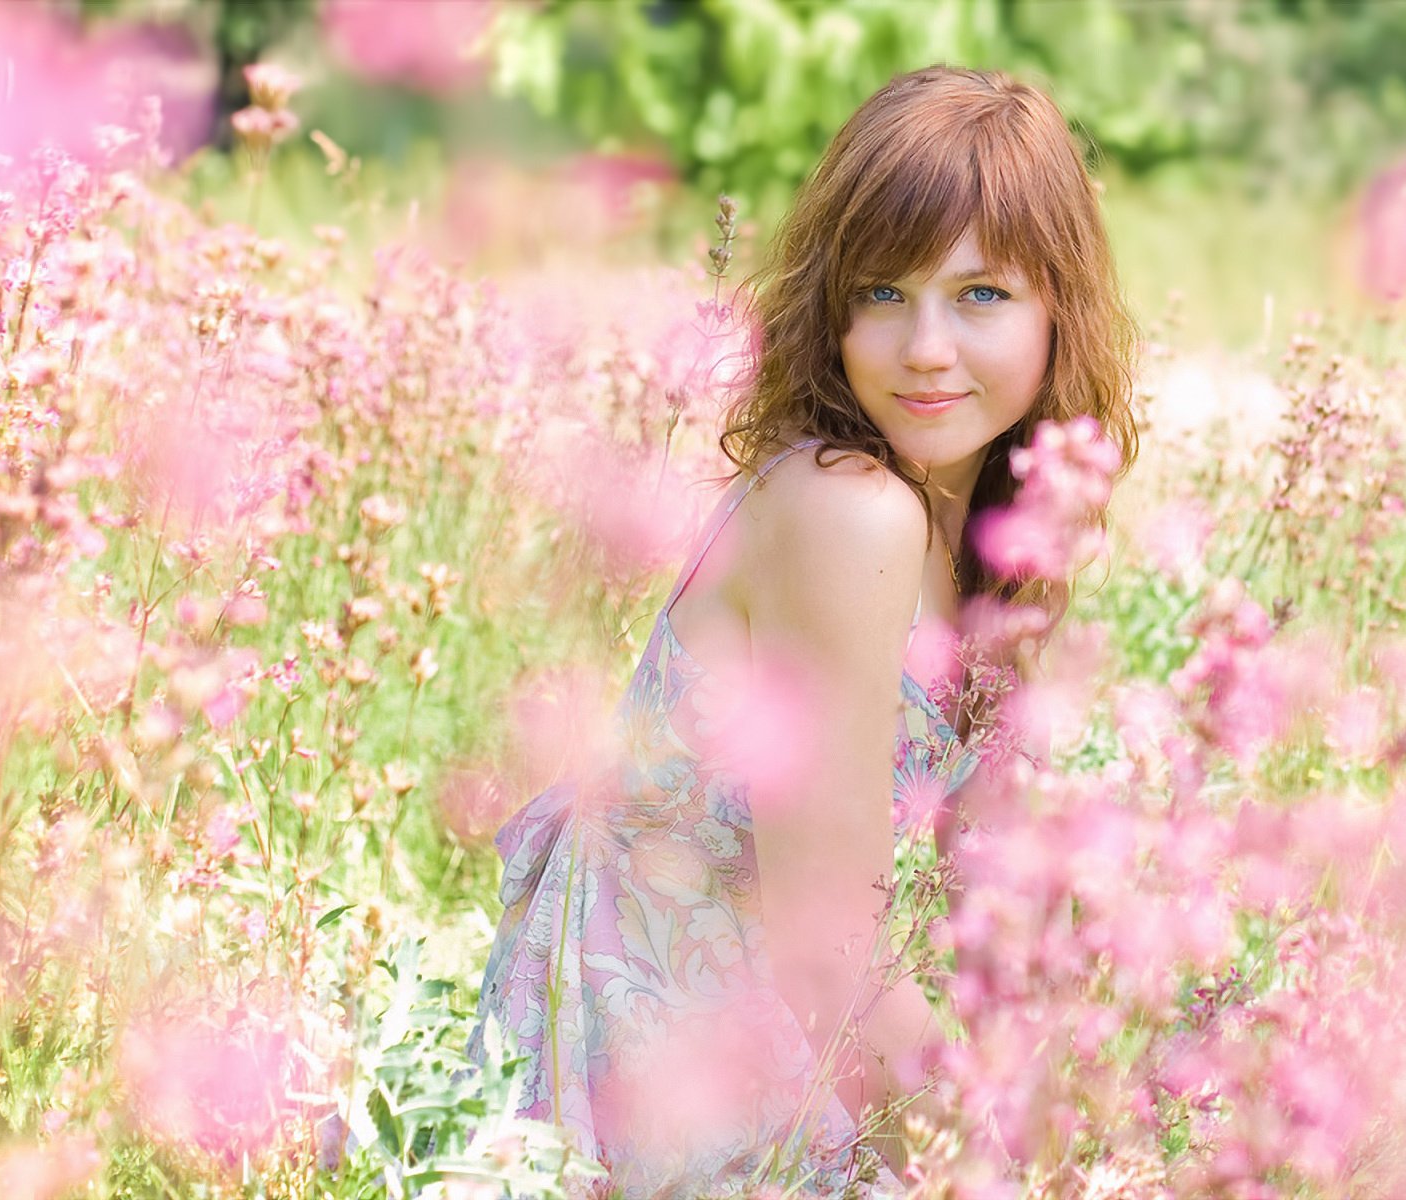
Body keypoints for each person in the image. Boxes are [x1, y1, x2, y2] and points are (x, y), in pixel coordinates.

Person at [468, 64, 1138, 1198]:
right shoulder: (845, 507)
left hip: (792, 1058)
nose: (926, 346)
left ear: (1059, 307)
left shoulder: (1001, 541)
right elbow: (828, 956)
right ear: (832, 306)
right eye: (884, 293)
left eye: (981, 295)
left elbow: (991, 912)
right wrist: (994, 1172)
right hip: (659, 1086)